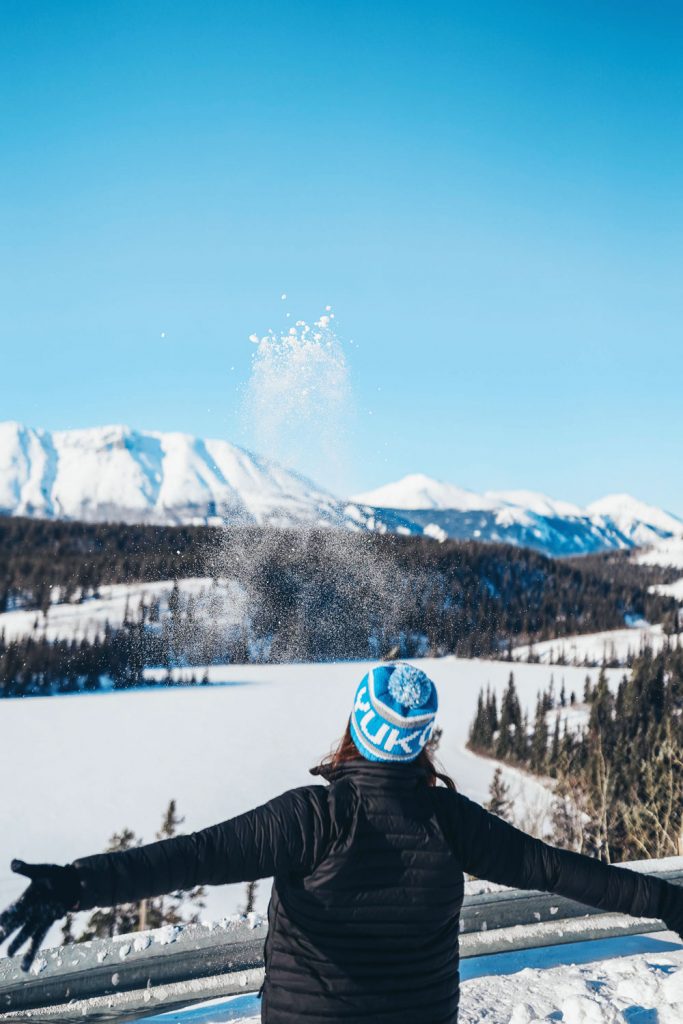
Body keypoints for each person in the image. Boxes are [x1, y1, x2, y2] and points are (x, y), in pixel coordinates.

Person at [1, 663, 683, 1023]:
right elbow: (559, 870)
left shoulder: (312, 817)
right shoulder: (452, 821)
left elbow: (192, 857)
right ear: (420, 741)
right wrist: (666, 902)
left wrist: (76, 883)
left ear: (357, 725)